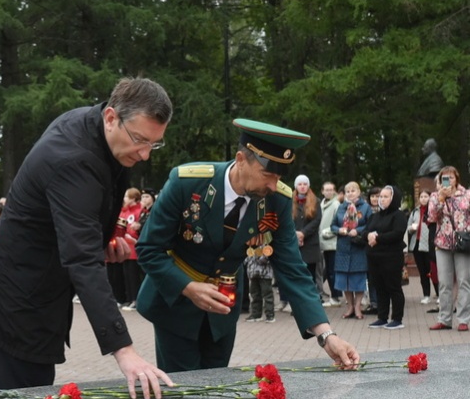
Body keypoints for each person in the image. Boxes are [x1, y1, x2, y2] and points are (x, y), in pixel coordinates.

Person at [0, 77, 175, 399]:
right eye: (140, 140)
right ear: (111, 117)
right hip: (18, 298)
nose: (146, 154)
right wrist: (124, 351)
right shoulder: (72, 158)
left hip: (39, 288)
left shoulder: (96, 129)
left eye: (155, 143)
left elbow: (78, 225)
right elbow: (81, 259)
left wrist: (103, 243)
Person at [136, 118, 360, 372]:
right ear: (241, 159)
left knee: (217, 386)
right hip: (174, 306)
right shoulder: (186, 182)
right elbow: (148, 248)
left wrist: (326, 335)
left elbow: (292, 269)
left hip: (223, 311)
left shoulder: (276, 199)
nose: (274, 185)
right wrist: (188, 288)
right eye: (267, 175)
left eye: (278, 177)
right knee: (184, 391)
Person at [428, 166, 470, 331]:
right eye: (444, 178)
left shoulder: (466, 195)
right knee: (444, 283)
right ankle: (444, 319)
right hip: (443, 243)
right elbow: (432, 216)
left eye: (451, 177)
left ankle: (463, 319)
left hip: (462, 244)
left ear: (457, 179)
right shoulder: (435, 196)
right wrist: (441, 198)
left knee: (464, 281)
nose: (448, 181)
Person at [363, 186, 407, 329]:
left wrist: (378, 238)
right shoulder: (374, 216)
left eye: (385, 196)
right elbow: (365, 232)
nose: (381, 199)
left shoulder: (398, 215)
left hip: (391, 257)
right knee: (379, 287)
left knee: (393, 287)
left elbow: (397, 233)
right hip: (374, 257)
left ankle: (397, 319)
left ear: (393, 198)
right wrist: (369, 236)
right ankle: (382, 317)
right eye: (380, 196)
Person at [331, 182, 372, 320]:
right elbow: (332, 226)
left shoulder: (365, 208)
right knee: (344, 279)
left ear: (359, 192)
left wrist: (358, 230)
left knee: (358, 278)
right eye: (347, 191)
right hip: (343, 247)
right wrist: (339, 230)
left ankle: (358, 307)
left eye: (353, 190)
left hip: (358, 247)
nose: (350, 193)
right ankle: (349, 307)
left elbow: (370, 224)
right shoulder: (341, 207)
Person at [292, 175, 322, 300]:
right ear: (296, 186)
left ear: (308, 186)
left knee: (310, 275)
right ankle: (298, 302)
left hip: (310, 245)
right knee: (297, 275)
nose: (302, 186)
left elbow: (317, 220)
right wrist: (295, 233)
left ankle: (311, 301)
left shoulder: (316, 201)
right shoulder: (290, 201)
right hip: (295, 244)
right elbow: (287, 220)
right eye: (300, 184)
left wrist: (303, 233)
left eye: (305, 184)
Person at [407, 190, 433, 305]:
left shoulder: (433, 210)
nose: (423, 199)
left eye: (426, 196)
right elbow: (408, 227)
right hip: (416, 244)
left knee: (432, 271)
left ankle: (438, 294)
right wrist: (411, 228)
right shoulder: (415, 211)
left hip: (428, 244)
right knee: (422, 272)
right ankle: (426, 295)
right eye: (421, 196)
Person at [319, 181, 342, 307]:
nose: (328, 192)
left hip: (332, 242)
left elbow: (339, 224)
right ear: (322, 191)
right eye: (326, 190)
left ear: (334, 191)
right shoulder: (321, 204)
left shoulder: (336, 205)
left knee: (333, 270)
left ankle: (336, 296)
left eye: (331, 190)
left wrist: (326, 233)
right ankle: (333, 294)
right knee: (327, 270)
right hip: (323, 243)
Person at [244, 251, 275, 323]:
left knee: (267, 295)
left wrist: (256, 256)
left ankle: (270, 315)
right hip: (252, 272)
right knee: (254, 294)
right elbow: (246, 258)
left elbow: (265, 258)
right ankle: (256, 314)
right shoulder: (251, 244)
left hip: (265, 274)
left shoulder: (267, 243)